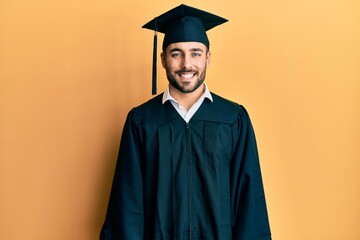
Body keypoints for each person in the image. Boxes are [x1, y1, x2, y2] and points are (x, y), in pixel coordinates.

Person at [100, 4, 271, 240]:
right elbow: (128, 203)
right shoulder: (141, 121)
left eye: (195, 53)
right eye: (176, 53)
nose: (186, 64)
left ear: (208, 58)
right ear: (163, 59)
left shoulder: (233, 119)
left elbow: (249, 201)